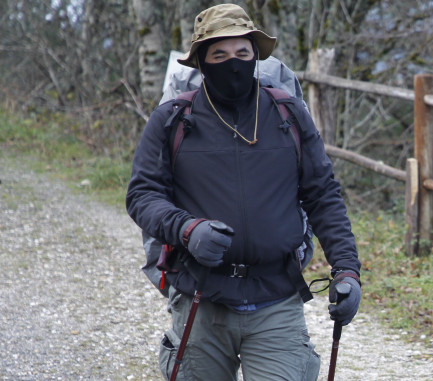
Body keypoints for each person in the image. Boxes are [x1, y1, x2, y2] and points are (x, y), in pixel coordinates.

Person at [126, 4, 361, 380]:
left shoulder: (289, 115)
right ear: (201, 61)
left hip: (276, 299)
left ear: (256, 56)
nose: (232, 63)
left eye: (242, 53)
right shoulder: (172, 119)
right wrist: (187, 229)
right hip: (201, 299)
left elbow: (323, 195)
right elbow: (142, 195)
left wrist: (347, 271)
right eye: (219, 54)